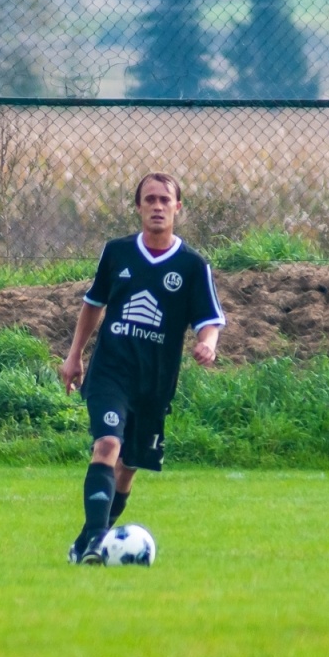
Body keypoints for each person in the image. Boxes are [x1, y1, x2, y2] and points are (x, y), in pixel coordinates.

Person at [58, 172, 225, 564]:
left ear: (178, 208)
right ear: (138, 207)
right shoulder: (117, 252)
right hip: (110, 372)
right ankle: (96, 542)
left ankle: (84, 542)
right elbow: (93, 304)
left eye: (165, 200)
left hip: (154, 384)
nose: (157, 206)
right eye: (149, 199)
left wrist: (208, 343)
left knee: (128, 467)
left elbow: (209, 320)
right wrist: (74, 354)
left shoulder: (192, 265)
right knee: (107, 445)